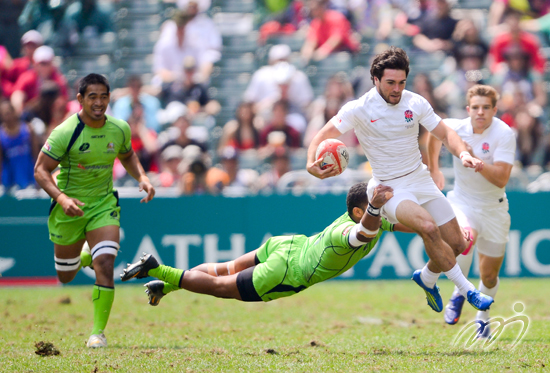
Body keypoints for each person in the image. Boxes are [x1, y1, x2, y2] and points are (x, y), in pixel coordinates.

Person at [305, 46, 494, 314]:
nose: (397, 89)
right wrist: (311, 163)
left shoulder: (415, 102)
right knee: (428, 228)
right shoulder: (359, 108)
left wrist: (463, 153)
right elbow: (320, 135)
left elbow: (445, 133)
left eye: (402, 82)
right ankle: (468, 291)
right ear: (375, 80)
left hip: (420, 180)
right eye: (391, 82)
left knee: (458, 245)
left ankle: (427, 278)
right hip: (389, 189)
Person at [120, 183, 410, 305]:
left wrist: (433, 228)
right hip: (286, 272)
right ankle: (157, 270)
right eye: (374, 208)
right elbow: (362, 236)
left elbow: (399, 223)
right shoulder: (348, 233)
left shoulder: (368, 217)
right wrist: (375, 208)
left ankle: (164, 286)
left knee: (223, 268)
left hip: (287, 245)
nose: (381, 212)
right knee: (222, 288)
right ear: (360, 212)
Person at [33, 73, 155, 348]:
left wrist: (142, 178)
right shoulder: (66, 132)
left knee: (106, 264)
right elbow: (40, 171)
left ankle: (97, 333)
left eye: (104, 96)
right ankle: (83, 256)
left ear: (110, 97)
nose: (99, 102)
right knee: (66, 275)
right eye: (92, 97)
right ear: (80, 99)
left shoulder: (119, 128)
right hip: (69, 209)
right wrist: (62, 199)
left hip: (103, 205)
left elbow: (128, 155)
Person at [427, 85, 516, 338]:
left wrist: (477, 160)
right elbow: (435, 134)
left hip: (495, 208)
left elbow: (501, 179)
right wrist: (434, 167)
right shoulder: (456, 127)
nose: (480, 112)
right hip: (463, 202)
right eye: (475, 107)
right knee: (464, 240)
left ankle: (482, 318)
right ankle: (461, 292)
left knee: (489, 277)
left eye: (486, 108)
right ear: (468, 109)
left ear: (494, 110)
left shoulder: (504, 133)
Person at [0, 100, 38, 189]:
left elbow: (36, 157)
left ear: (14, 112)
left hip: (29, 181)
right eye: (4, 114)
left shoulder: (28, 130)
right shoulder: (1, 136)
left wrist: (38, 179)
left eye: (8, 113)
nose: (7, 117)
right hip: (9, 184)